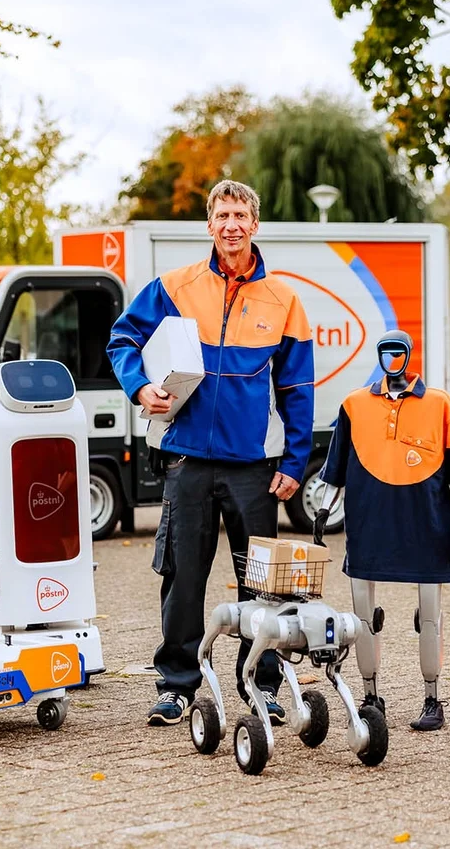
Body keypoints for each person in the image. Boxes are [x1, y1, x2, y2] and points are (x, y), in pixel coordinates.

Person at [106, 180, 315, 726]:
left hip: (253, 467)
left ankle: (261, 685)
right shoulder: (174, 286)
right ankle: (177, 683)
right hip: (187, 461)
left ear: (255, 224)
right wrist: (139, 387)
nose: (231, 225)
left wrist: (294, 463)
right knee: (183, 576)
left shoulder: (284, 301)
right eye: (222, 214)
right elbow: (122, 340)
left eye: (241, 214)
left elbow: (297, 389)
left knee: (262, 584)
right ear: (208, 225)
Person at [317, 329, 450, 731]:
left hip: (426, 524)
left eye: (398, 351)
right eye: (385, 351)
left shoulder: (439, 403)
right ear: (378, 356)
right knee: (363, 616)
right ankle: (370, 696)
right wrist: (323, 510)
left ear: (409, 355)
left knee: (430, 616)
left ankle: (432, 699)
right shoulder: (354, 404)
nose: (392, 358)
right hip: (368, 523)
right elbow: (336, 467)